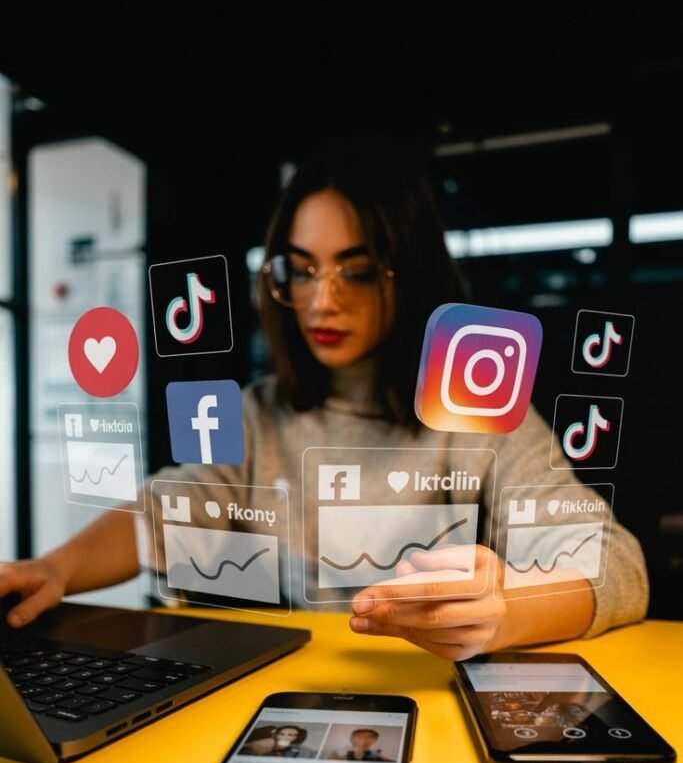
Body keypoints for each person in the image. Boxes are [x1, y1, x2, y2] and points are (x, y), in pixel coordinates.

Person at [0, 139, 648, 662]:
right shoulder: (255, 412)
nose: (321, 300)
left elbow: (616, 564)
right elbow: (165, 511)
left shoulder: (481, 421)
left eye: (356, 270)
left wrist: (506, 607)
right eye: (300, 269)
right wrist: (57, 567)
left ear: (410, 271)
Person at [327, 727, 395, 762]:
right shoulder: (337, 753)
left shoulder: (379, 756)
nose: (364, 739)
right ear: (352, 738)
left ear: (374, 740)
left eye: (370, 737)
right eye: (360, 737)